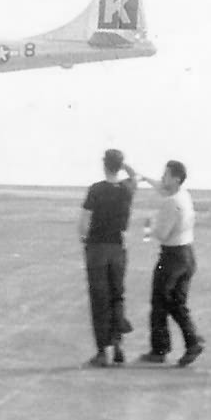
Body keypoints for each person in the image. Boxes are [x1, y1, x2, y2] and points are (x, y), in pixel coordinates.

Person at [137, 160, 205, 367]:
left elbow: (162, 234)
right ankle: (192, 341)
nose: (162, 178)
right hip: (187, 255)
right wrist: (142, 177)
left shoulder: (171, 203)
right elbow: (161, 187)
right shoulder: (183, 195)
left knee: (159, 302)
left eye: (166, 175)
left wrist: (148, 227)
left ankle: (160, 349)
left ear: (175, 178)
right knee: (177, 302)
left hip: (171, 257)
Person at [78, 149, 137, 367]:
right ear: (119, 166)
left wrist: (84, 240)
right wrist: (125, 166)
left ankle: (102, 351)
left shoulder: (96, 190)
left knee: (99, 299)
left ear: (104, 165)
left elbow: (84, 221)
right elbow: (135, 176)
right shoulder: (126, 190)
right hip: (118, 249)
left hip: (97, 249)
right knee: (116, 295)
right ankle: (118, 343)